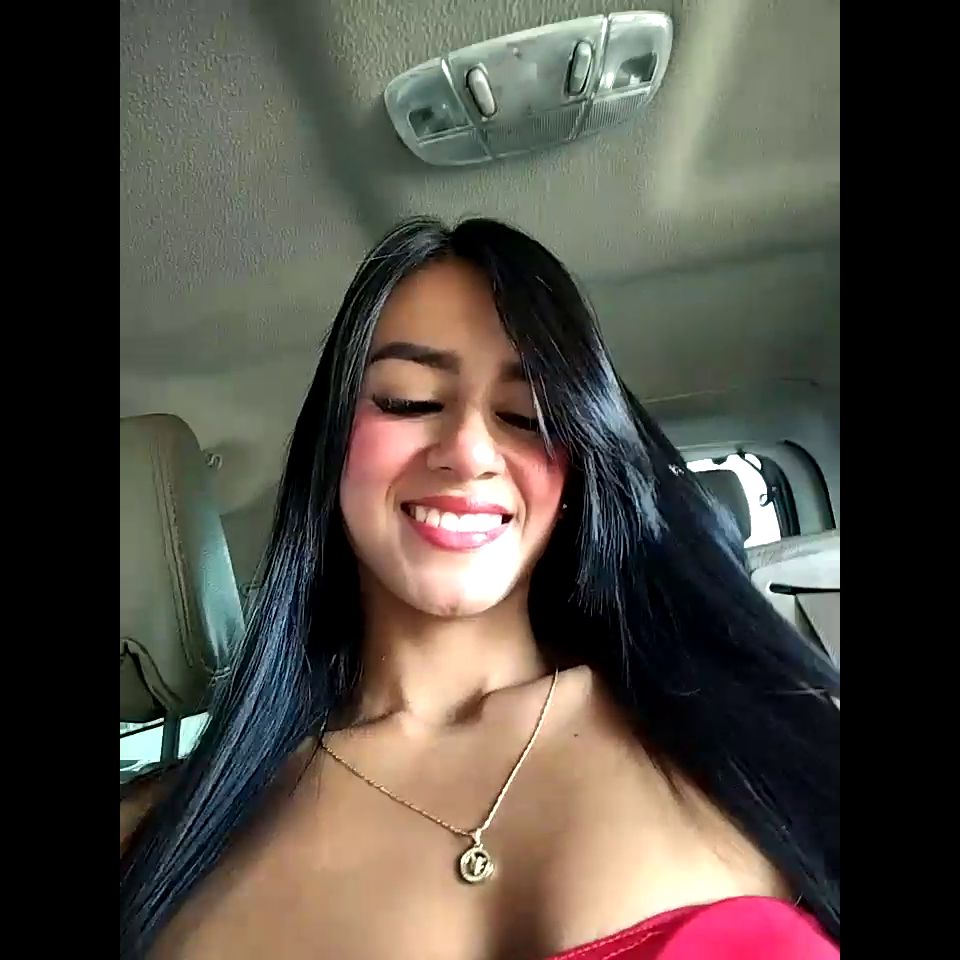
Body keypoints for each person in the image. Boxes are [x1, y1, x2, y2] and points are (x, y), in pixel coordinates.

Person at [120, 217, 840, 959]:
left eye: (528, 416)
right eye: (409, 400)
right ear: (331, 448)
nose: (468, 452)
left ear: (577, 467)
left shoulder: (762, 730)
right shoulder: (152, 842)